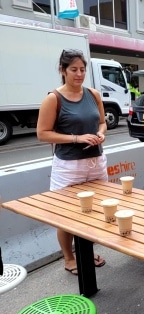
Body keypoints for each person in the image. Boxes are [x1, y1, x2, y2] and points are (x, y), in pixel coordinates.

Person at [36, 49, 108, 275]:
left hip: (96, 161)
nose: (79, 74)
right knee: (65, 215)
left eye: (82, 69)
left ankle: (85, 252)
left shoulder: (93, 94)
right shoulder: (53, 98)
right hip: (68, 166)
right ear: (63, 70)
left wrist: (100, 133)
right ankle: (68, 258)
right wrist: (76, 138)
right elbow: (43, 133)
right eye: (74, 69)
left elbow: (103, 123)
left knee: (94, 211)